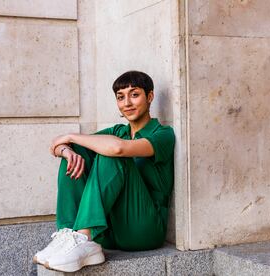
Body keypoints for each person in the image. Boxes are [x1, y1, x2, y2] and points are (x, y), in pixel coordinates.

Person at [33, 71, 175, 272]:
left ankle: (82, 236)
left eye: (134, 94)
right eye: (120, 97)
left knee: (111, 154)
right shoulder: (118, 131)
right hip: (110, 230)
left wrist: (71, 136)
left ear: (150, 97)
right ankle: (69, 234)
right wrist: (67, 150)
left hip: (144, 229)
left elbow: (118, 149)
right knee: (75, 156)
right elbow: (57, 147)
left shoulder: (162, 134)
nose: (127, 103)